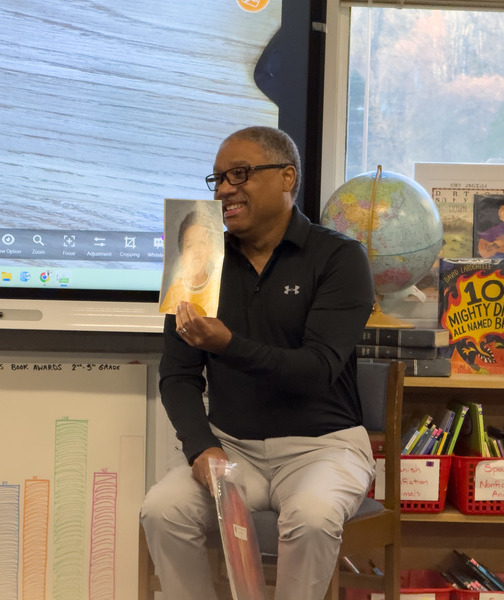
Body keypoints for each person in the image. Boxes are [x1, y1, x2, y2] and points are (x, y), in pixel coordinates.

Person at [140, 126, 376, 600]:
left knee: (312, 518)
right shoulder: (201, 258)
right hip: (232, 448)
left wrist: (229, 345)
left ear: (287, 177)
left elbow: (317, 370)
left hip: (323, 448)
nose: (224, 190)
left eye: (240, 174)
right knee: (163, 510)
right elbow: (178, 374)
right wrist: (202, 448)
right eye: (218, 179)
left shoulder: (339, 257)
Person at [159, 209, 222, 317]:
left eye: (201, 242)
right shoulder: (174, 290)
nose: (196, 250)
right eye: (189, 245)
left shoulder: (217, 288)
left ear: (210, 249)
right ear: (182, 254)